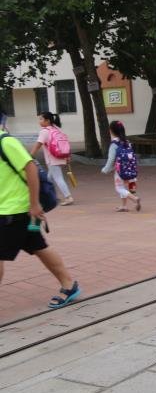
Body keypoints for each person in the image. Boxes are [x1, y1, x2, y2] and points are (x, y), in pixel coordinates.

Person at [0, 126, 80, 309]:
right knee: (38, 246)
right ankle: (69, 285)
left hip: (15, 211)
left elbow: (31, 168)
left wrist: (35, 204)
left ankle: (69, 284)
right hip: (10, 211)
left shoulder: (6, 142)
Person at [29, 112, 74, 206]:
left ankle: (68, 197)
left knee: (58, 178)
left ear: (47, 121)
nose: (39, 121)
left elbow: (38, 144)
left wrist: (30, 155)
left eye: (41, 119)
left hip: (52, 159)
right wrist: (67, 156)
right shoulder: (55, 129)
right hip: (60, 156)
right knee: (49, 179)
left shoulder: (44, 131)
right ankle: (51, 196)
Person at [101, 121, 141, 212]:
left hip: (119, 171)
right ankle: (124, 206)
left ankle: (135, 199)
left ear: (111, 131)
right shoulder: (127, 142)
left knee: (119, 188)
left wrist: (105, 169)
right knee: (122, 187)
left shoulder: (114, 144)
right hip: (129, 168)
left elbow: (111, 159)